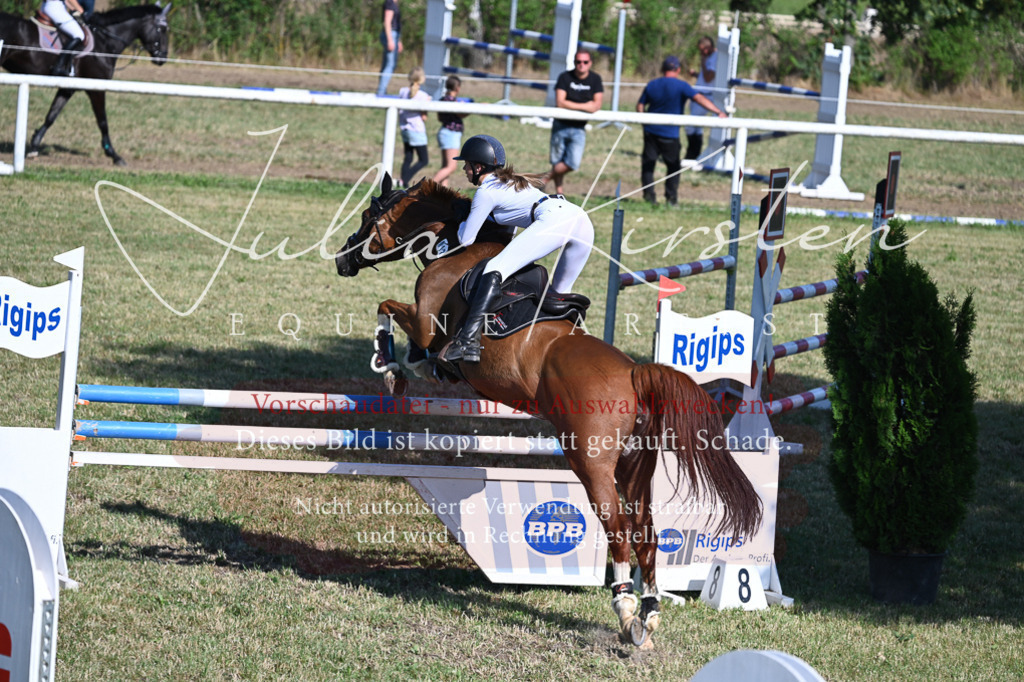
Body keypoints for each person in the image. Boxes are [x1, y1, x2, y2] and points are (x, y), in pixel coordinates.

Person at [439, 134, 595, 365]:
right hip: (581, 219)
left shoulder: (486, 191)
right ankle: (572, 347)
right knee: (558, 296)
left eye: (467, 164)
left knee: (494, 268)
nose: (464, 169)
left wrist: (459, 222)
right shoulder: (509, 184)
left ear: (479, 166)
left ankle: (467, 342)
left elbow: (466, 239)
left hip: (555, 219)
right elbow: (509, 234)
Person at [636, 55, 726, 206]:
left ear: (662, 69)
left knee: (648, 164)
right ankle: (671, 199)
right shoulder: (682, 86)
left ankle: (649, 197)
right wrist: (718, 112)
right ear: (677, 70)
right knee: (673, 167)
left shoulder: (652, 84)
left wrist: (643, 121)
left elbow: (640, 106)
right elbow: (699, 99)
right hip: (670, 134)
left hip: (650, 131)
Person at [547, 49, 603, 195]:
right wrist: (585, 106)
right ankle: (559, 194)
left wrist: (571, 105)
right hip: (560, 124)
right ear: (574, 63)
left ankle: (543, 179)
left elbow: (596, 105)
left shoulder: (595, 79)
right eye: (578, 62)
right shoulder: (565, 77)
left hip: (579, 127)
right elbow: (560, 102)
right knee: (557, 160)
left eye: (585, 62)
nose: (581, 65)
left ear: (590, 63)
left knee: (573, 163)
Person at [397, 67, 431, 187]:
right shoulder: (423, 96)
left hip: (404, 128)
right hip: (416, 130)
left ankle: (403, 182)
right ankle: (403, 179)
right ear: (422, 79)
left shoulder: (402, 91)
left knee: (408, 157)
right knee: (424, 160)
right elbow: (424, 117)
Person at [431, 76, 468, 187]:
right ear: (457, 88)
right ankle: (426, 188)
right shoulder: (452, 101)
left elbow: (439, 117)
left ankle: (444, 194)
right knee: (451, 167)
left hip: (444, 133)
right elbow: (461, 114)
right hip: (451, 134)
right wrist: (471, 108)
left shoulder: (443, 99)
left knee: (445, 166)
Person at [685, 36, 718, 161]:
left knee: (691, 125)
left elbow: (709, 77)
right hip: (699, 92)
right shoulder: (709, 56)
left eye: (703, 50)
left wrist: (703, 62)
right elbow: (706, 78)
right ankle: (694, 155)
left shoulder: (714, 57)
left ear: (709, 46)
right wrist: (695, 75)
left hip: (705, 95)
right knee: (696, 127)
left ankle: (692, 154)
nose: (702, 53)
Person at [42, 0, 86, 77]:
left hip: (50, 6)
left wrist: (72, 8)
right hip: (55, 8)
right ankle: (58, 66)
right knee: (79, 35)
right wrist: (80, 10)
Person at [375, 0, 403, 97]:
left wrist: (398, 41)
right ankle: (381, 92)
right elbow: (387, 23)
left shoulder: (394, 3)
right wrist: (390, 40)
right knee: (390, 65)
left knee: (386, 64)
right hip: (390, 34)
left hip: (394, 35)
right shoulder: (390, 3)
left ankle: (382, 90)